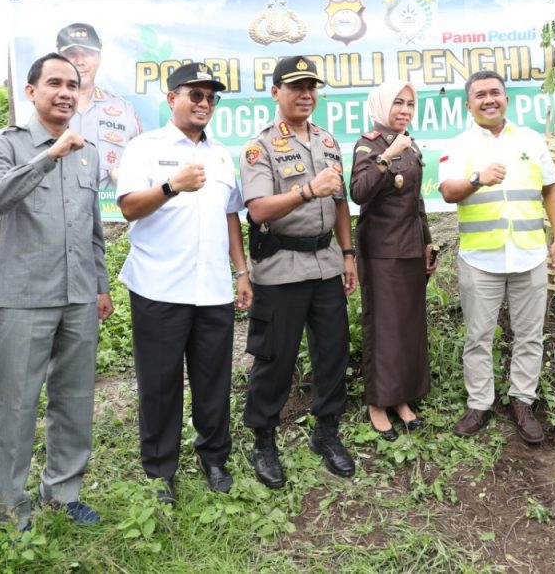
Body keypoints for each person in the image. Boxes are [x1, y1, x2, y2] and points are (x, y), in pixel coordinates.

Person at [0, 53, 114, 530]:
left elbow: (92, 228)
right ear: (31, 91)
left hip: (79, 295)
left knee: (74, 399)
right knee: (18, 403)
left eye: (72, 85)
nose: (65, 92)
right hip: (25, 297)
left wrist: (100, 286)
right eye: (54, 83)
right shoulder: (7, 143)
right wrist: (49, 155)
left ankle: (62, 492)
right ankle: (12, 506)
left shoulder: (89, 152)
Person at [116, 62, 253, 502]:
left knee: (214, 380)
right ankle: (161, 471)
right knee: (160, 384)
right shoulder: (144, 148)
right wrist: (170, 186)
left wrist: (241, 271)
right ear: (171, 98)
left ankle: (214, 458)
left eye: (211, 97)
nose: (204, 103)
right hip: (159, 286)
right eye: (195, 94)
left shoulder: (221, 154)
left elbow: (230, 215)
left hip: (212, 287)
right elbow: (129, 208)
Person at [239, 55, 358, 487]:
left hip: (325, 263)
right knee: (275, 357)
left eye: (311, 87)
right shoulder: (260, 147)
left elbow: (340, 203)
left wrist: (348, 254)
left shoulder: (327, 141)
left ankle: (326, 432)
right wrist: (307, 190)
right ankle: (264, 440)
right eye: (296, 87)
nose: (306, 95)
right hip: (281, 267)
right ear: (276, 93)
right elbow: (257, 210)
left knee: (333, 352)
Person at [439, 70, 555, 445]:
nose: (489, 99)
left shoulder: (530, 139)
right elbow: (448, 191)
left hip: (529, 255)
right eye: (480, 95)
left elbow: (551, 190)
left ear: (506, 99)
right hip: (481, 259)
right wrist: (477, 179)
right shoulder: (459, 145)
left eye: (495, 92)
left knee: (530, 336)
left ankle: (522, 401)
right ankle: (479, 404)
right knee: (478, 336)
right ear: (469, 105)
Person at [350, 81, 437, 441]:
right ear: (381, 105)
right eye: (397, 103)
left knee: (407, 327)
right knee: (384, 327)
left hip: (410, 248)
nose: (404, 110)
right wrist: (386, 157)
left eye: (410, 104)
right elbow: (359, 193)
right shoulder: (368, 144)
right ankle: (378, 402)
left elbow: (416, 201)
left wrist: (427, 242)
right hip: (381, 251)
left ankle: (401, 399)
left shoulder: (410, 143)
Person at [57, 22, 142, 191]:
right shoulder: (43, 108)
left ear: (98, 59)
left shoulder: (124, 110)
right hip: (58, 206)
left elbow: (142, 165)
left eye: (88, 53)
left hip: (110, 207)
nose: (80, 61)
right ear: (59, 60)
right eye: (72, 54)